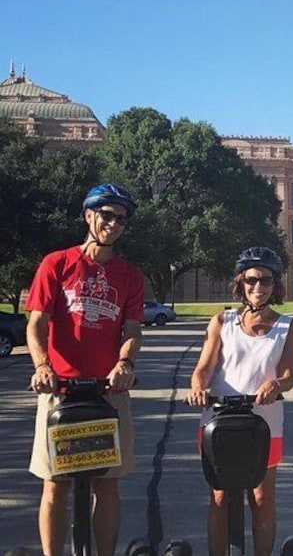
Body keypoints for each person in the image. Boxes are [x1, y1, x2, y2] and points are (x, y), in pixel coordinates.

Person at [27, 183, 144, 556]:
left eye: (121, 219)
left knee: (106, 485)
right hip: (59, 389)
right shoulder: (57, 264)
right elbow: (36, 324)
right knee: (55, 484)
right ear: (89, 216)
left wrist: (125, 363)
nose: (113, 224)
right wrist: (42, 366)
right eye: (106, 215)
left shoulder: (129, 276)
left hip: (108, 393)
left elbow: (132, 330)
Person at [186, 246, 293, 556]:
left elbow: (288, 375)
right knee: (220, 496)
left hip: (264, 421)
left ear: (276, 285)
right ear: (240, 282)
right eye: (251, 280)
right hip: (218, 419)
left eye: (266, 280)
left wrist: (276, 384)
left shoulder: (287, 327)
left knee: (261, 498)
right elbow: (203, 369)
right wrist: (198, 389)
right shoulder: (223, 322)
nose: (258, 287)